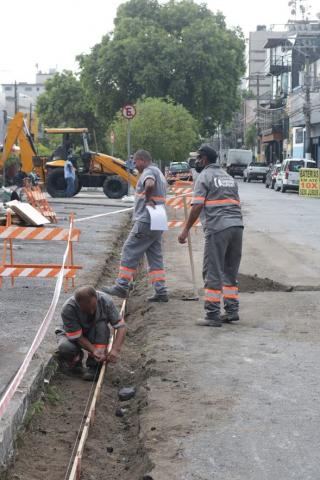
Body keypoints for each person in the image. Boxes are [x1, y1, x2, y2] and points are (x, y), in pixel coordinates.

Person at [178, 144, 243, 327]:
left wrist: (185, 230)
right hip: (237, 227)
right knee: (229, 271)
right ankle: (231, 310)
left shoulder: (204, 176)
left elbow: (197, 206)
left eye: (198, 158)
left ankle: (212, 314)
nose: (196, 161)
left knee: (212, 271)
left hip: (218, 229)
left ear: (204, 159)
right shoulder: (228, 177)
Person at [103, 149, 168, 302]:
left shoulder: (148, 172)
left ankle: (122, 285)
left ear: (143, 161)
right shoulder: (159, 172)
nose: (135, 165)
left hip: (147, 218)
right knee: (155, 255)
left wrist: (148, 198)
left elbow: (150, 184)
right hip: (158, 217)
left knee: (129, 249)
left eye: (136, 162)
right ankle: (161, 290)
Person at [55, 286, 127, 381]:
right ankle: (76, 362)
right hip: (72, 333)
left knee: (101, 327)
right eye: (86, 310)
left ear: (96, 297)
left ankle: (94, 365)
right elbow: (78, 337)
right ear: (78, 304)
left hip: (94, 331)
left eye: (93, 307)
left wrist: (115, 349)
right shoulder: (68, 308)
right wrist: (94, 350)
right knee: (65, 347)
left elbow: (121, 327)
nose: (91, 312)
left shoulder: (105, 301)